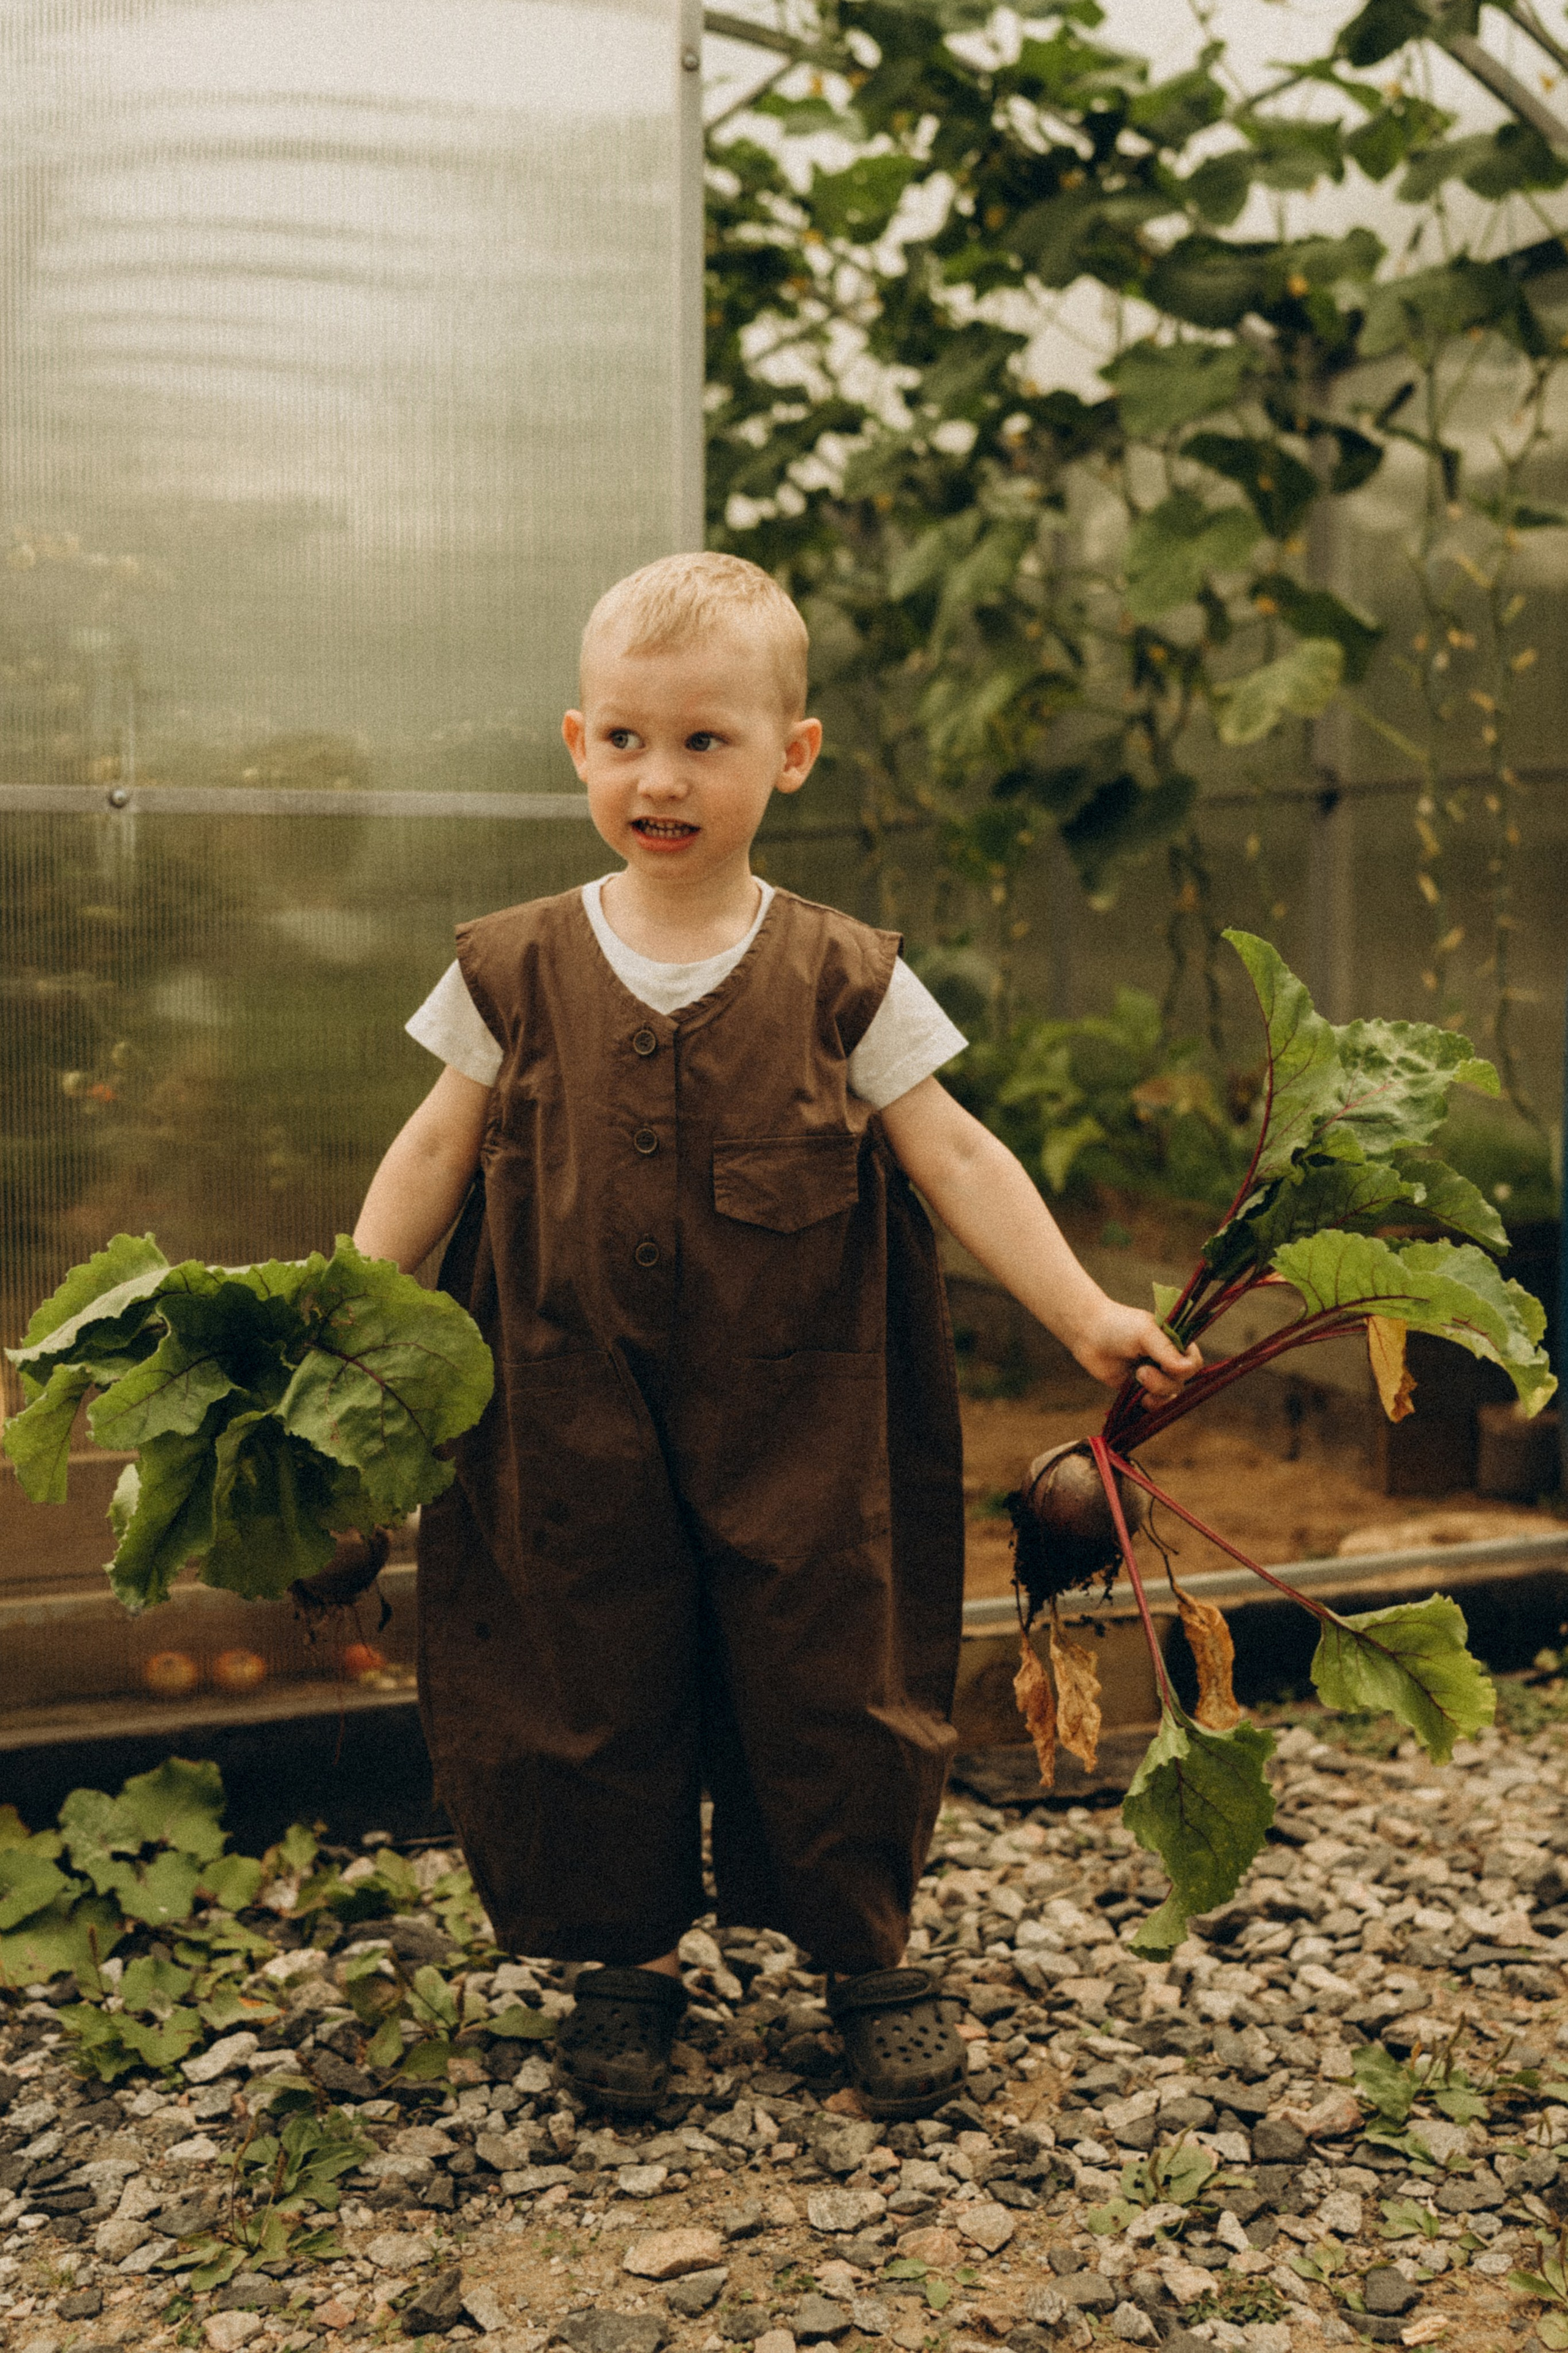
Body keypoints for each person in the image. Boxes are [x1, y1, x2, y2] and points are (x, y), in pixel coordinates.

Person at [353, 550, 1199, 2120]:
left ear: (790, 754)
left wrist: (1084, 1309)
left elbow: (956, 1154)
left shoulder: (843, 975)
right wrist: (342, 1307)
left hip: (810, 1413)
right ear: (576, 744)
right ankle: (624, 1961)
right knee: (581, 1656)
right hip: (559, 1394)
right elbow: (431, 1149)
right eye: (624, 740)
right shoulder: (511, 968)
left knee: (834, 1662)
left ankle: (862, 1950)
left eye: (704, 741)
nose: (658, 779)